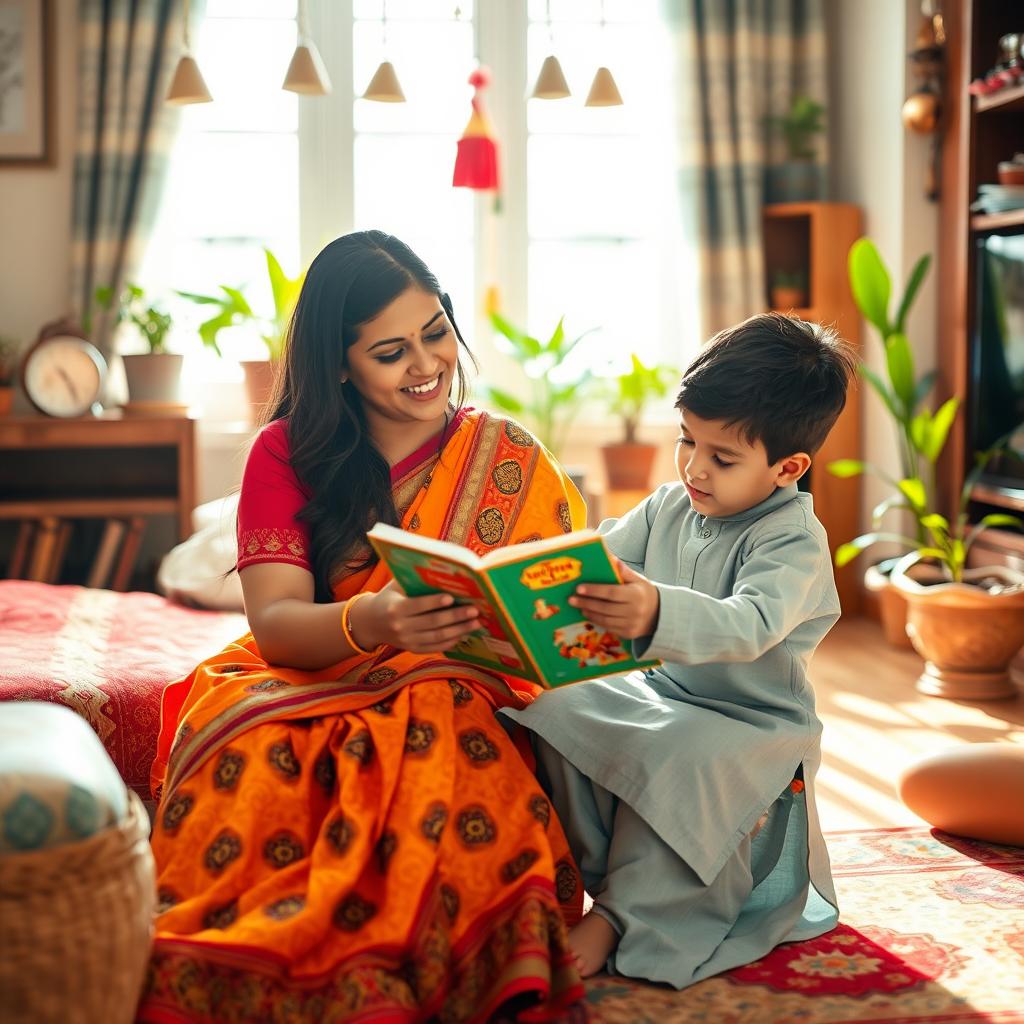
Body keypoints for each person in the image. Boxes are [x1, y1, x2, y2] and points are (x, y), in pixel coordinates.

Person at [138, 231, 589, 1024]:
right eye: (391, 352)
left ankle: (460, 958)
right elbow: (278, 625)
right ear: (339, 364)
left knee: (446, 739)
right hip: (307, 673)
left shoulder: (508, 455)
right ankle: (292, 966)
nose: (426, 365)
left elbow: (554, 621)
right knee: (257, 756)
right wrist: (374, 618)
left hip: (460, 691)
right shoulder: (285, 454)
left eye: (436, 332)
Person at [501, 313, 857, 988]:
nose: (695, 467)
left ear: (788, 468)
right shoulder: (670, 504)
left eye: (722, 458)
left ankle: (623, 918)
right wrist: (516, 576)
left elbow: (751, 623)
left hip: (752, 728)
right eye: (686, 440)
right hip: (661, 695)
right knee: (550, 702)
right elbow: (599, 557)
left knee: (686, 759)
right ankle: (572, 871)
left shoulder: (791, 540)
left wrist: (655, 609)